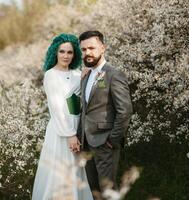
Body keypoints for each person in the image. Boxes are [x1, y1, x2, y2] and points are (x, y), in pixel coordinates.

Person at [32, 33, 93, 200]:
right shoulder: (51, 75)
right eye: (62, 52)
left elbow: (81, 98)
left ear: (75, 54)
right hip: (62, 130)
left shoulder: (76, 73)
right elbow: (57, 107)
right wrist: (70, 134)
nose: (66, 56)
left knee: (75, 172)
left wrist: (86, 76)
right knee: (59, 173)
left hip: (76, 128)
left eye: (70, 52)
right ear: (55, 53)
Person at [76, 30, 133, 197]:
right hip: (87, 143)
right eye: (84, 49)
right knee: (95, 192)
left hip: (105, 143)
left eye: (91, 48)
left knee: (108, 191)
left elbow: (125, 111)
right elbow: (85, 110)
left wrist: (113, 140)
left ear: (103, 48)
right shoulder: (86, 76)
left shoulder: (114, 75)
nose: (87, 53)